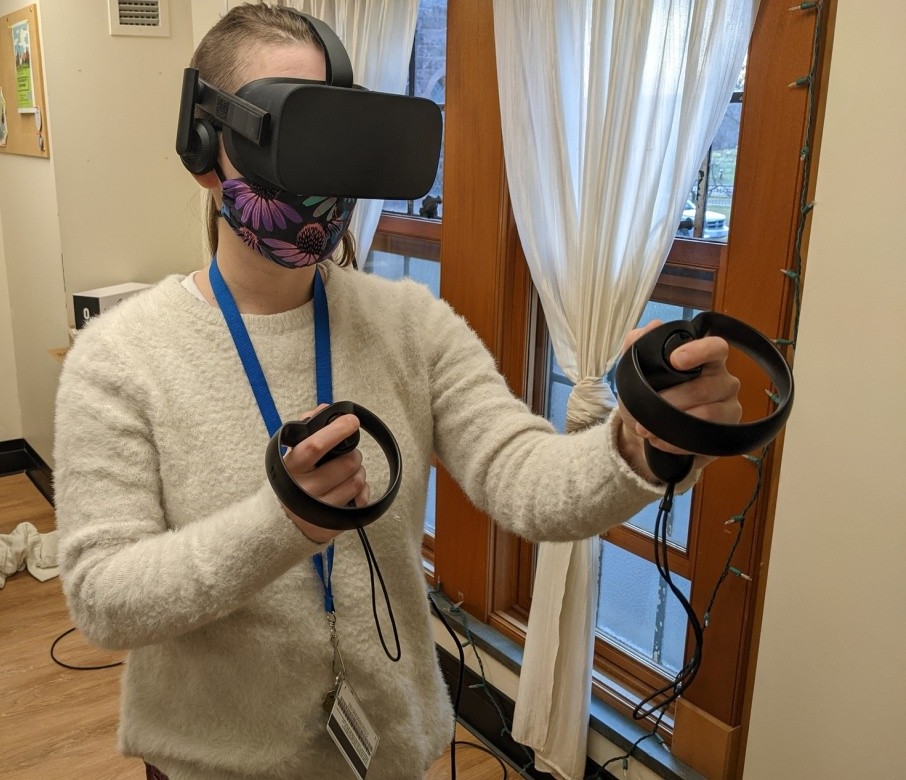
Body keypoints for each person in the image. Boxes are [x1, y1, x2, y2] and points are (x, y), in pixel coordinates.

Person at [53, 5, 743, 779]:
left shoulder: (409, 326)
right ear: (203, 145)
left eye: (335, 134)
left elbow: (522, 478)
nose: (316, 172)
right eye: (286, 132)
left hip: (390, 754)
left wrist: (635, 445)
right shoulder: (117, 359)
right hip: (217, 765)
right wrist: (283, 524)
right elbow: (104, 599)